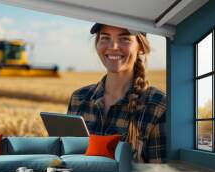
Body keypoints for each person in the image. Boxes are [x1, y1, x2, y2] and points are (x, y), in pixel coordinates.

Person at [67, 23, 166, 163]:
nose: (113, 47)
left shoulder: (158, 105)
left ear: (141, 47)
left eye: (124, 38)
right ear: (97, 44)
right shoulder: (78, 99)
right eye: (105, 38)